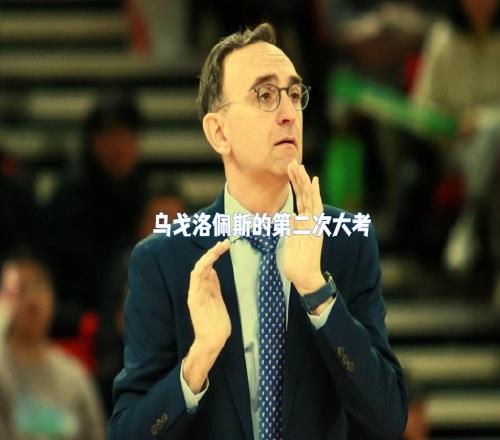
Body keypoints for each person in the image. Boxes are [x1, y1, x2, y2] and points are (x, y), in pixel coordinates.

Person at [109, 23, 408, 440]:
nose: (288, 113)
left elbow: (389, 418)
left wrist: (319, 296)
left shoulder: (346, 243)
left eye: (294, 95)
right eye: (265, 96)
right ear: (219, 132)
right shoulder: (163, 260)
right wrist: (197, 361)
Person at [412, 0, 500, 302]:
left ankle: (469, 217)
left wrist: (483, 121)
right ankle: (470, 217)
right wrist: (454, 125)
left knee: (492, 133)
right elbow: (421, 109)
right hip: (454, 148)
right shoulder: (442, 37)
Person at [37, 92, 146, 336]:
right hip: (76, 324)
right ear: (93, 141)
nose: (120, 145)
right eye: (110, 135)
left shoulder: (142, 191)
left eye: (128, 135)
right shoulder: (69, 198)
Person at [0, 254, 106, 440]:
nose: (32, 299)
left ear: (53, 300)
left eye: (39, 286)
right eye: (21, 289)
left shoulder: (75, 377)